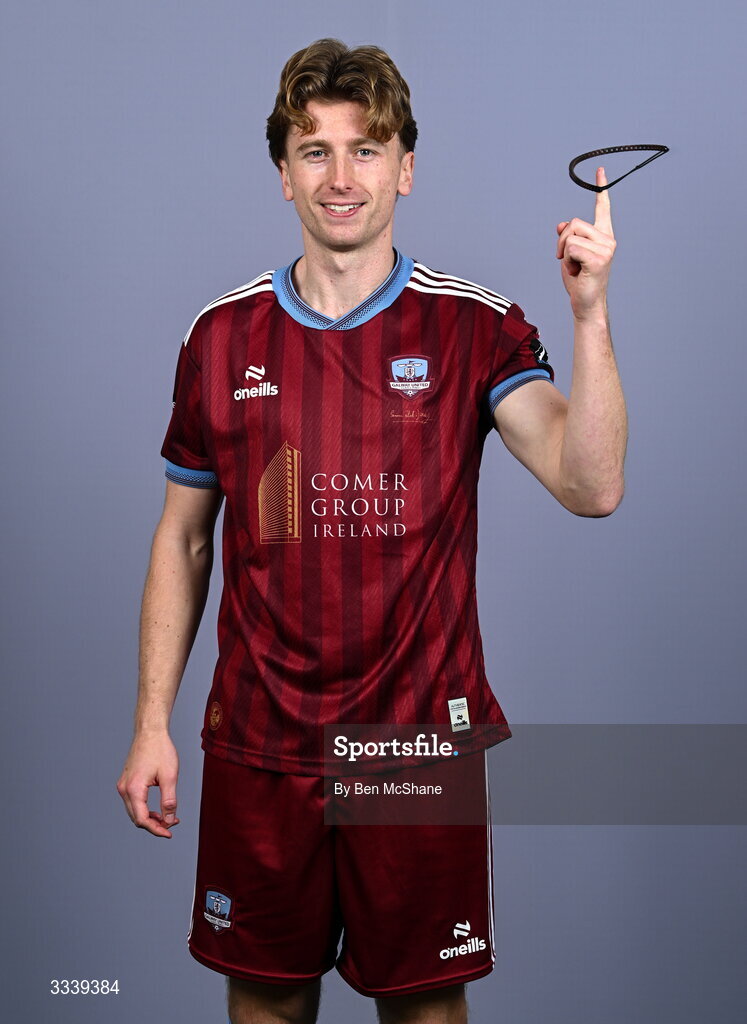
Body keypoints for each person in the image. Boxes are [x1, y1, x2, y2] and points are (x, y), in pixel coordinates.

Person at [117, 37, 627, 1024]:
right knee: (265, 1005)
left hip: (412, 752)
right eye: (315, 150)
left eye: (366, 149)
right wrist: (149, 725)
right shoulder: (219, 338)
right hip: (262, 743)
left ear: (406, 167)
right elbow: (182, 541)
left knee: (425, 1012)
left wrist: (591, 316)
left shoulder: (472, 327)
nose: (341, 177)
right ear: (283, 173)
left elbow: (591, 484)